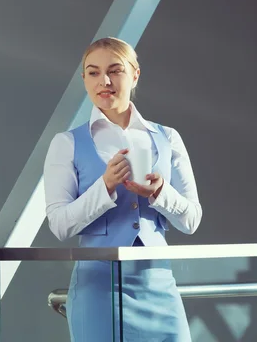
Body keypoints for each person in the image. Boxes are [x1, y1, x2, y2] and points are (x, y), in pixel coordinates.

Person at [43, 37, 203, 341]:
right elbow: (60, 226)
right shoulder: (66, 144)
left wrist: (159, 193)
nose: (104, 81)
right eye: (93, 72)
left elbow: (192, 220)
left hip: (157, 284)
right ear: (84, 79)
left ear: (134, 74)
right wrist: (105, 186)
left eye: (115, 70)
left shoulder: (167, 138)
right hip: (97, 288)